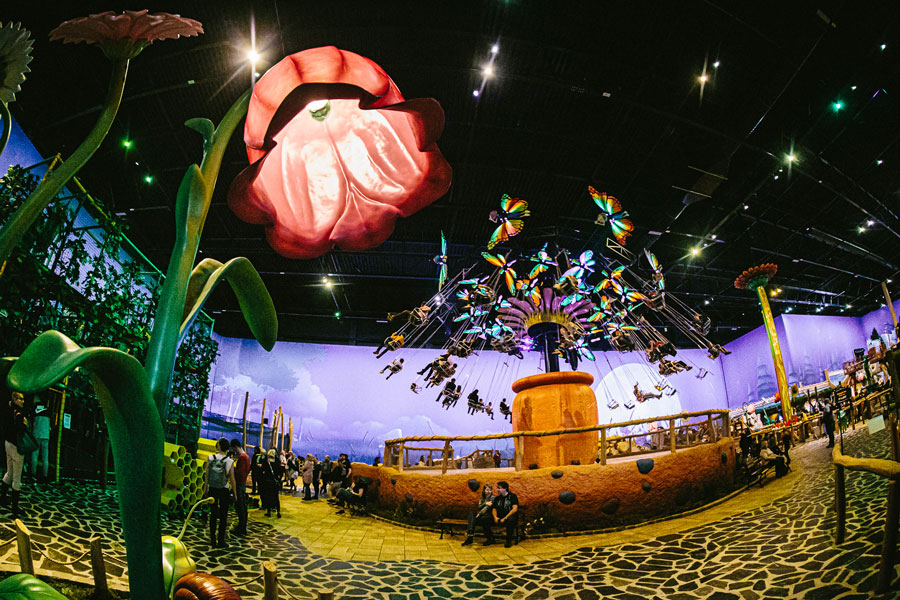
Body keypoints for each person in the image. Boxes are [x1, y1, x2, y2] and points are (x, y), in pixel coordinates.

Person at [205, 438, 237, 548]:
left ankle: (212, 539)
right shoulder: (230, 461)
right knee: (223, 516)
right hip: (224, 490)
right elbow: (232, 479)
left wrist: (205, 488)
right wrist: (235, 493)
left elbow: (207, 474)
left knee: (213, 514)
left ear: (219, 446)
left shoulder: (210, 458)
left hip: (212, 488)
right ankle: (221, 540)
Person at [1, 392, 29, 517]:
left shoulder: (8, 409)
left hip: (7, 443)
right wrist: (25, 424)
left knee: (10, 472)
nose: (23, 401)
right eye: (20, 399)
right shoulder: (18, 413)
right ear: (15, 399)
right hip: (16, 446)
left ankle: (2, 497)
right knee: (17, 476)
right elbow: (20, 430)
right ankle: (15, 507)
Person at [229, 439, 250, 536]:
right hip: (243, 483)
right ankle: (243, 527)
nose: (234, 451)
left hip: (239, 484)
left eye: (233, 449)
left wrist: (232, 469)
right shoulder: (246, 456)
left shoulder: (242, 457)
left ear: (235, 447)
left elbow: (240, 472)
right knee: (243, 506)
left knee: (240, 506)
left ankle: (241, 527)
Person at [492, 481, 519, 548]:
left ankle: (508, 540)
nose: (497, 490)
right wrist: (495, 517)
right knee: (485, 519)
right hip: (499, 517)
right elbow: (494, 509)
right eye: (497, 488)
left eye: (499, 488)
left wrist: (505, 517)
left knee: (510, 520)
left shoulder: (512, 496)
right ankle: (490, 538)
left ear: (505, 488)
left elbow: (515, 509)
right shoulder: (497, 498)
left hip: (509, 516)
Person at [29, 401, 51, 482]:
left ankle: (33, 474)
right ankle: (45, 475)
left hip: (36, 435)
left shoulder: (34, 412)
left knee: (35, 455)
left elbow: (32, 423)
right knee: (45, 457)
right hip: (46, 435)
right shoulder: (48, 412)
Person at [258, 449, 282, 517]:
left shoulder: (267, 463)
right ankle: (278, 512)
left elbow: (262, 471)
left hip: (268, 482)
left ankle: (269, 512)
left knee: (268, 497)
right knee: (276, 497)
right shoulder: (277, 463)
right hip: (275, 482)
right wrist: (278, 479)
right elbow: (280, 473)